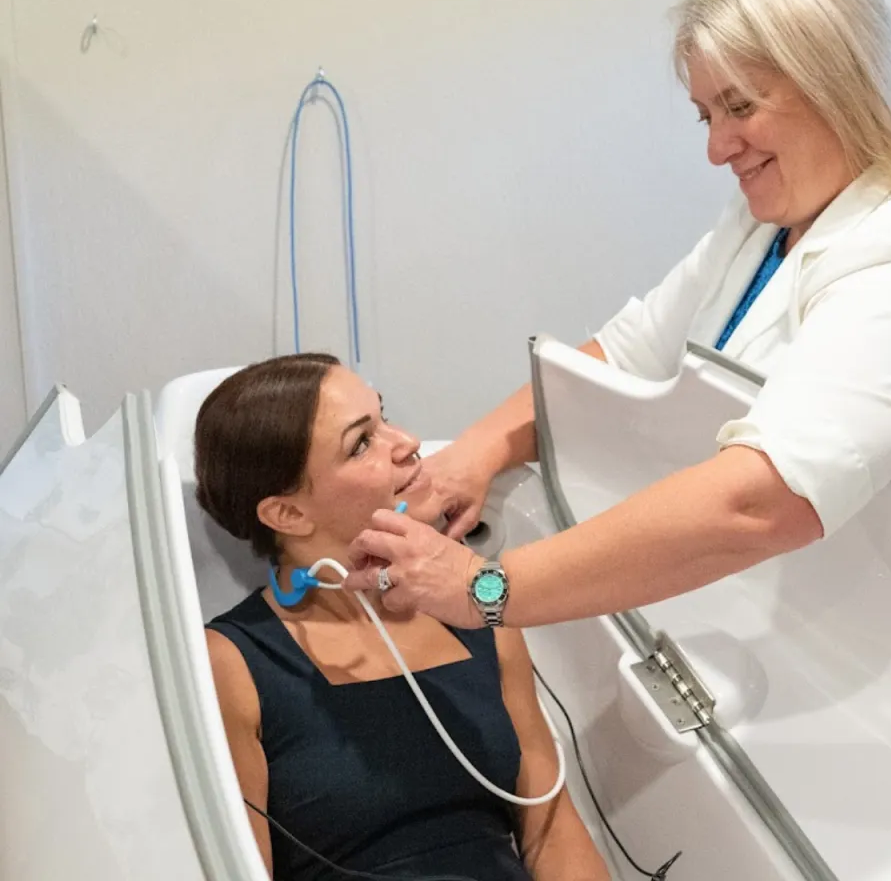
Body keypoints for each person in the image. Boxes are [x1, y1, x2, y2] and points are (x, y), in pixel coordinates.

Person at [344, 0, 891, 630]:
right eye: (706, 116)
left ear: (840, 86)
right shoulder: (762, 229)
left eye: (739, 107)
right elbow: (619, 356)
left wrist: (481, 590)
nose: (717, 149)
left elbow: (762, 500)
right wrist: (473, 454)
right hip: (780, 613)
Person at [196, 354, 608, 881]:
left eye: (384, 416)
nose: (408, 441)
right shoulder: (233, 663)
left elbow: (551, 832)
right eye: (361, 443)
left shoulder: (479, 614)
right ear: (288, 514)